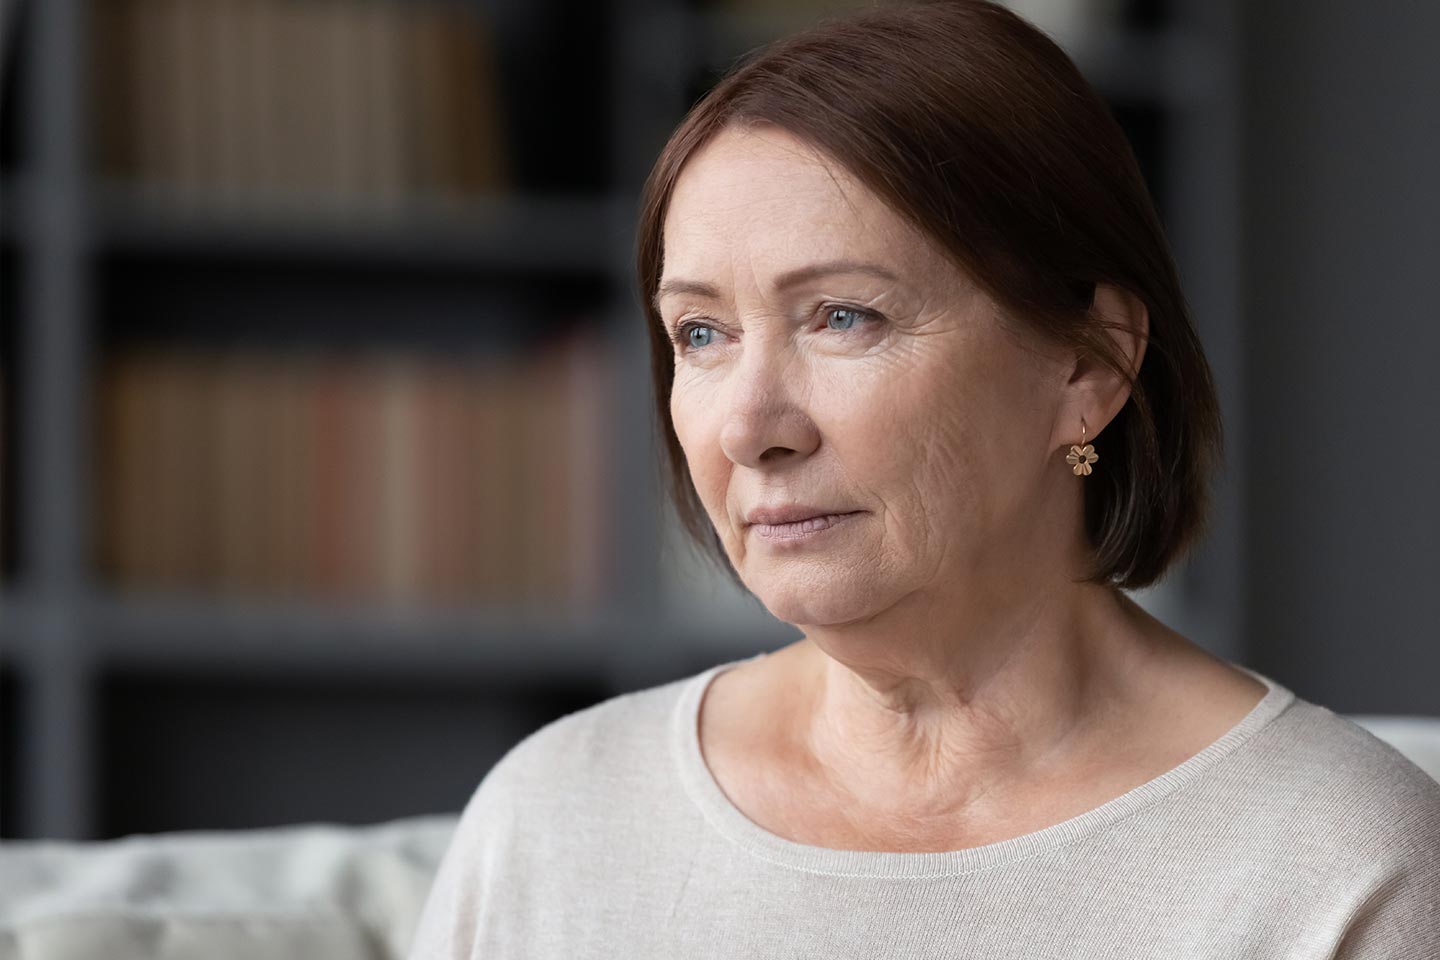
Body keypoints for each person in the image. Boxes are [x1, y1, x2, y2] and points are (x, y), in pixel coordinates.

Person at [408, 1, 1440, 955]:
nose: (748, 428)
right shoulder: (557, 815)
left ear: (1090, 367)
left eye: (844, 316)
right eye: (702, 333)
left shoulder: (1341, 866)